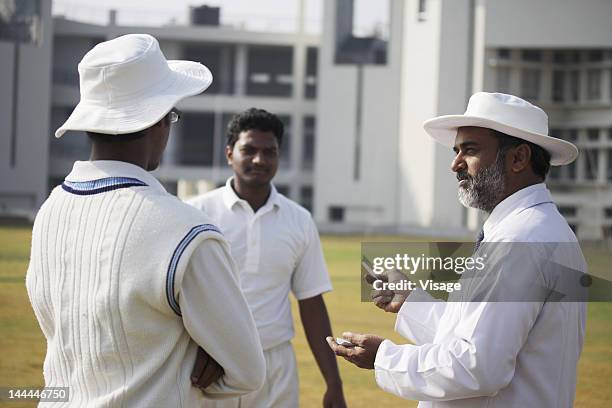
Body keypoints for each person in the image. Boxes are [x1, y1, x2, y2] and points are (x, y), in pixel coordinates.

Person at [26, 34, 265, 407]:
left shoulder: (49, 212)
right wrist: (192, 359)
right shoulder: (187, 230)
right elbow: (248, 370)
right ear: (160, 120)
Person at [327, 92, 587, 407]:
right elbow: (482, 335)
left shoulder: (519, 239)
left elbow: (478, 367)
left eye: (470, 150)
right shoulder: (535, 229)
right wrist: (412, 302)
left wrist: (383, 357)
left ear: (518, 158)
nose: (455, 164)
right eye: (456, 151)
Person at [187, 108, 346, 408]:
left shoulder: (299, 220)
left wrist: (333, 383)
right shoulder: (196, 214)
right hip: (210, 364)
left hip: (275, 366)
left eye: (269, 152)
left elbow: (311, 302)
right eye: (249, 150)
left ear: (278, 157)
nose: (259, 160)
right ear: (229, 153)